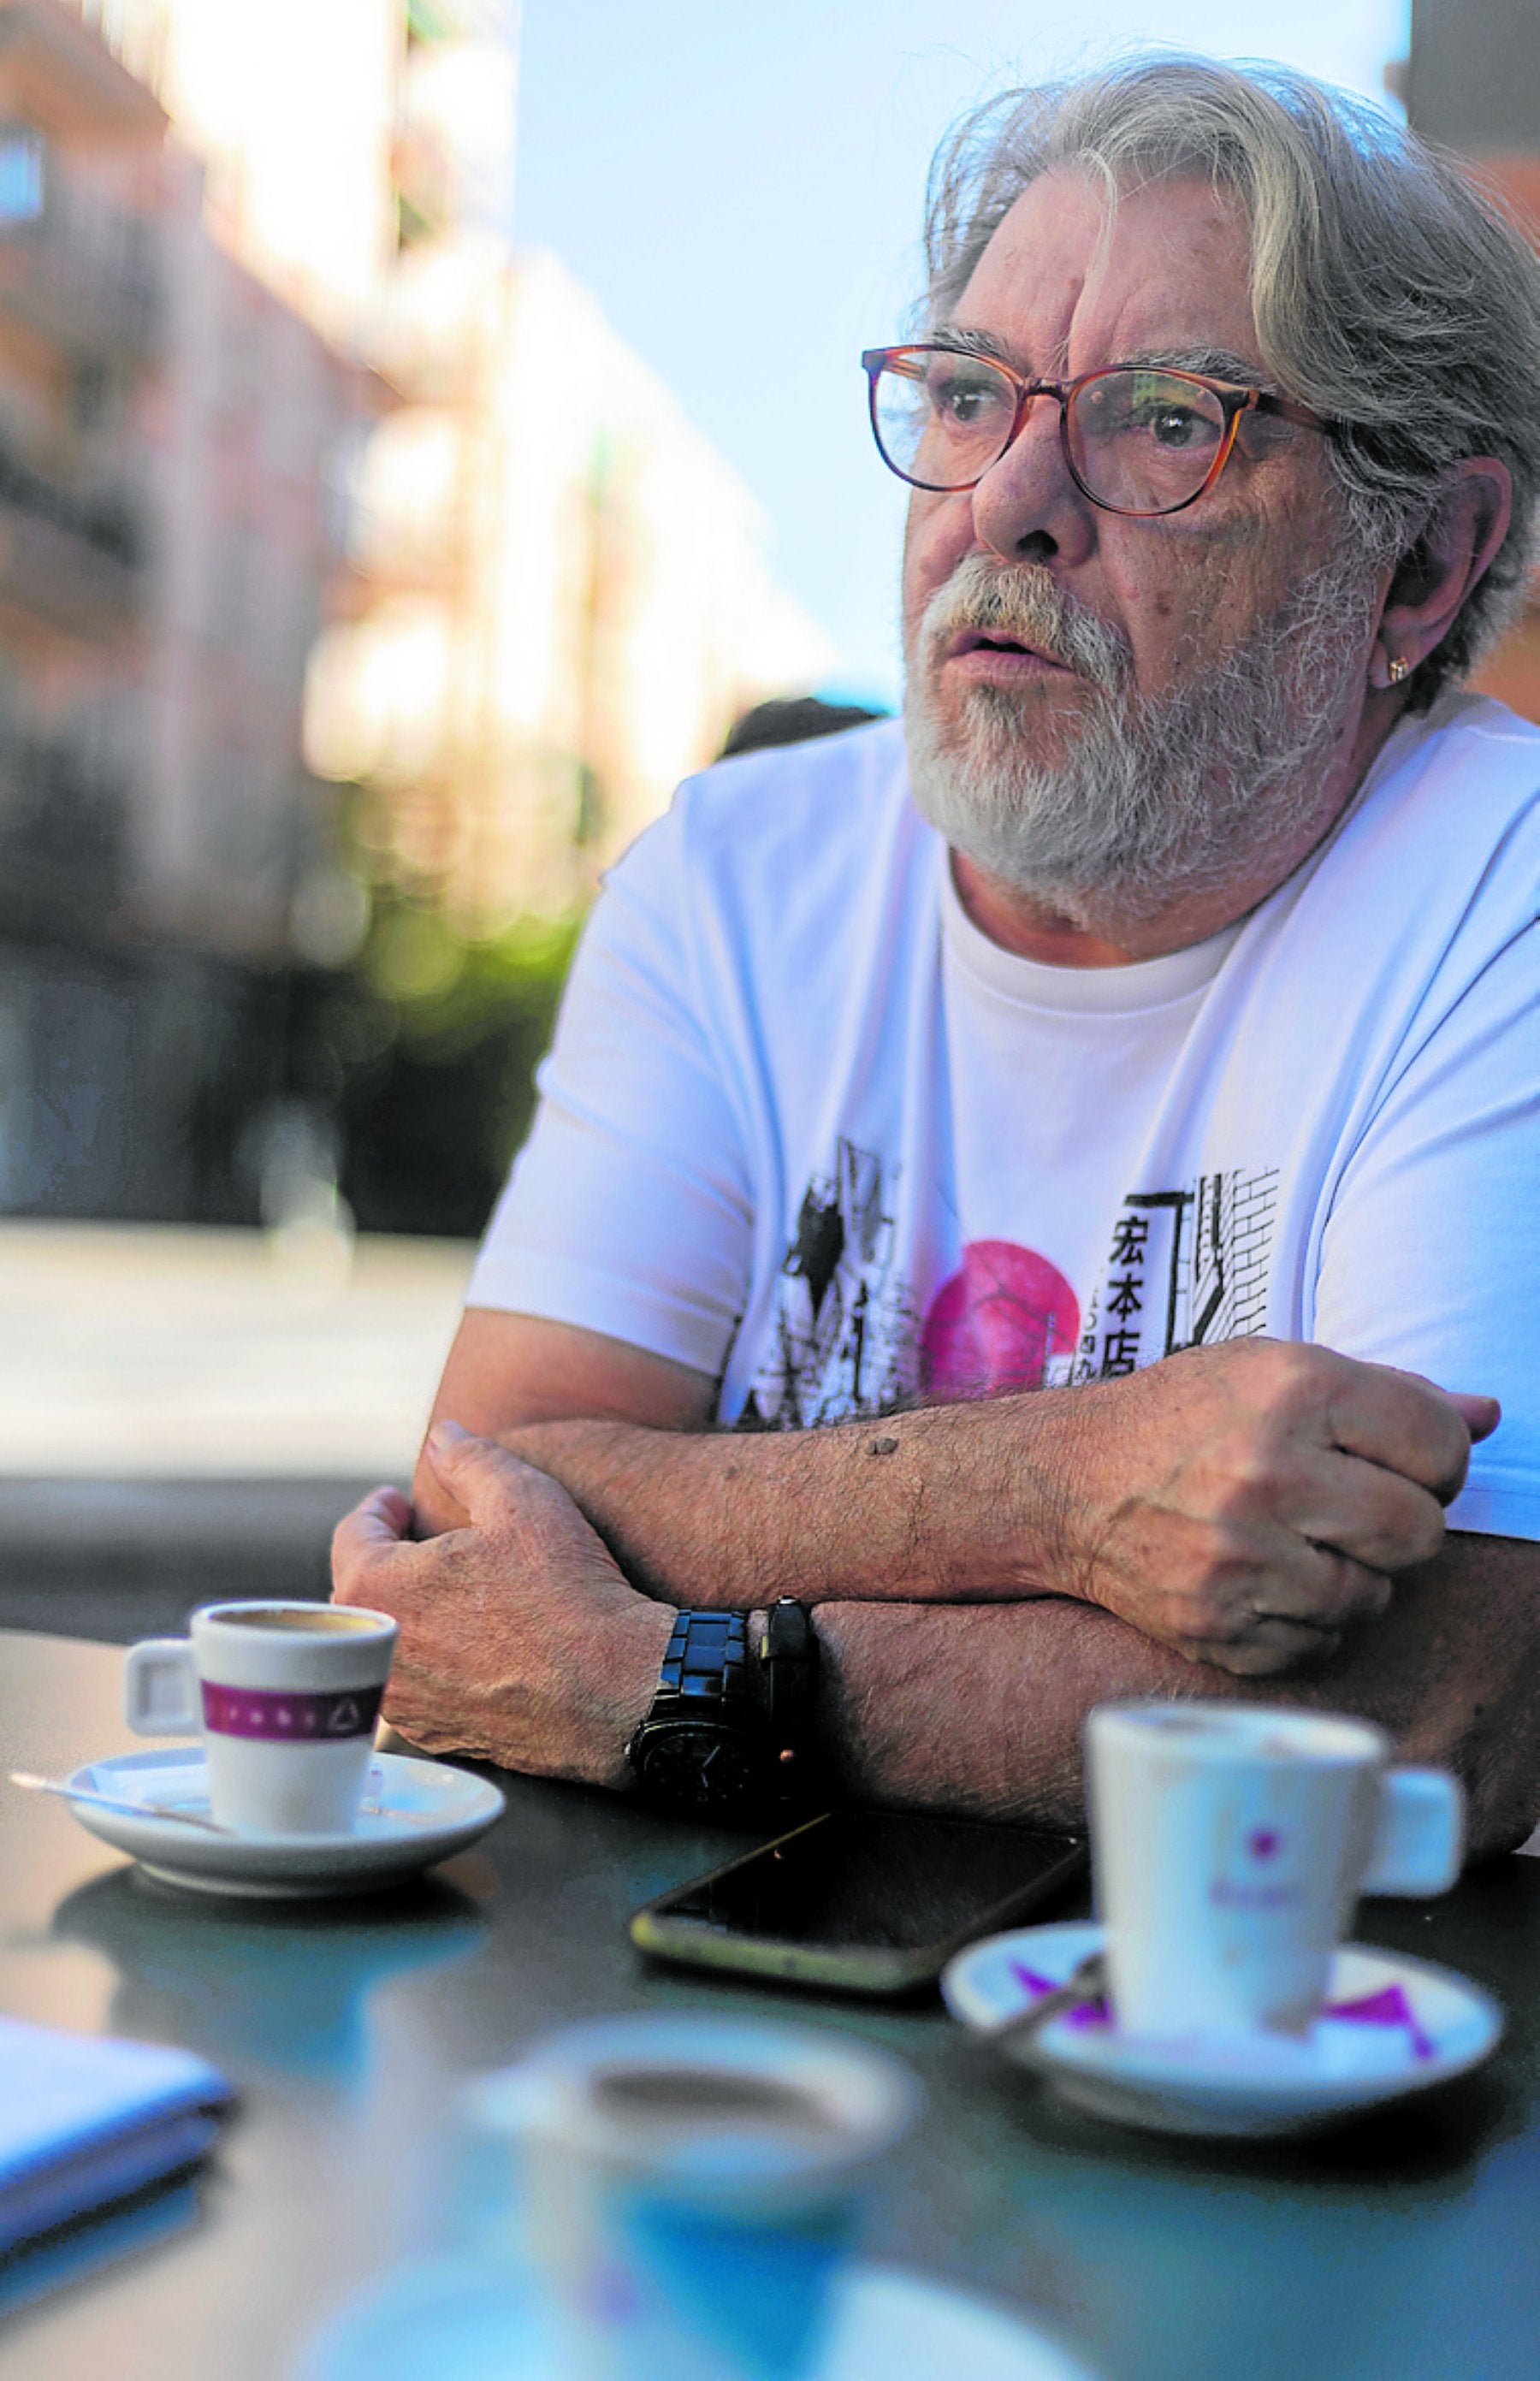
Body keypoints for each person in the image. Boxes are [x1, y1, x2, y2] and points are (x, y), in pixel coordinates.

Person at [335, 56, 1540, 1855]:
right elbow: (478, 1503)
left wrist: (666, 1677)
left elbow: (1446, 1699)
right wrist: (1064, 1488)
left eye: (1163, 420)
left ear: (1422, 569)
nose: (1010, 503)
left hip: (1281, 2065)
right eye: (971, 396)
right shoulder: (737, 874)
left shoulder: (1500, 894)